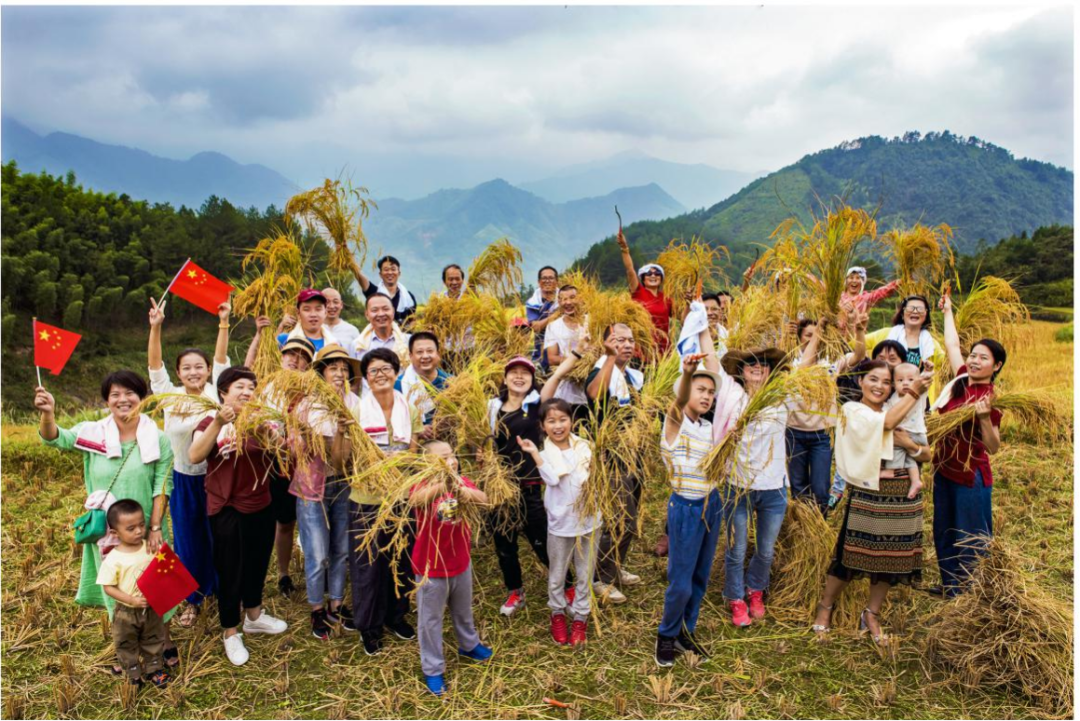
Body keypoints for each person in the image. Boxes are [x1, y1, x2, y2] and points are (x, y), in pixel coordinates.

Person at [36, 371, 176, 670]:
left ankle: (163, 640)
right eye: (115, 394)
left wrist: (154, 528)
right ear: (107, 400)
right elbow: (55, 439)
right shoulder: (92, 432)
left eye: (130, 393)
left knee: (157, 587)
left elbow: (162, 485)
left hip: (147, 527)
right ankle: (127, 648)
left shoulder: (157, 438)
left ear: (142, 397)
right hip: (108, 533)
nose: (123, 399)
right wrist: (48, 414)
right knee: (118, 586)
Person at [812, 360, 932, 644]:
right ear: (861, 383)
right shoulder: (854, 411)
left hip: (902, 489)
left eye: (885, 382)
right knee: (848, 554)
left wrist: (909, 444)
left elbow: (926, 454)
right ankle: (825, 606)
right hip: (870, 490)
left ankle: (871, 614)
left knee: (890, 559)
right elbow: (888, 425)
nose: (879, 386)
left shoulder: (903, 407)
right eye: (873, 380)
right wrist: (913, 392)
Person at [713, 337, 819, 627]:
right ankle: (735, 597)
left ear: (772, 369)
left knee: (766, 549)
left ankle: (755, 590)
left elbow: (805, 367)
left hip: (774, 487)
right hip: (738, 485)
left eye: (764, 362)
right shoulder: (732, 397)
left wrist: (820, 331)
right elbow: (711, 363)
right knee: (736, 548)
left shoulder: (781, 397)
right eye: (750, 362)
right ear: (741, 370)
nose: (757, 366)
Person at [189, 367, 289, 666]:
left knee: (258, 562)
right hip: (226, 508)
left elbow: (284, 455)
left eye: (251, 387)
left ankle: (254, 616)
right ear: (223, 393)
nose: (247, 392)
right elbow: (195, 455)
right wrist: (219, 422)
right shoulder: (211, 420)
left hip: (261, 503)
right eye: (239, 387)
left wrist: (266, 433)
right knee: (230, 569)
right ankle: (230, 631)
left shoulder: (265, 420)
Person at [146, 297, 231, 628]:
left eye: (200, 366)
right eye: (187, 367)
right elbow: (155, 366)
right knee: (186, 540)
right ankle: (191, 600)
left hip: (216, 479)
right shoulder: (170, 397)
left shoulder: (216, 393)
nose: (194, 371)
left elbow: (223, 357)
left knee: (218, 538)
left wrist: (223, 322)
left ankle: (221, 590)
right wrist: (156, 327)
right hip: (182, 479)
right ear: (179, 373)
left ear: (208, 370)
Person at [348, 348, 421, 655]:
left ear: (396, 371)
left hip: (401, 497)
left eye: (386, 369)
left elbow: (415, 451)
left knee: (399, 559)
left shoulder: (409, 407)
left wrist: (402, 463)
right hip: (366, 499)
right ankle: (369, 625)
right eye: (373, 371)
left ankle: (396, 615)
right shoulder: (357, 411)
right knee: (368, 566)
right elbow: (349, 457)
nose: (380, 375)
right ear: (366, 378)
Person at [931, 293, 1005, 597]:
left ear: (996, 365)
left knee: (971, 535)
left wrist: (985, 419)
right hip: (943, 468)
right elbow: (951, 345)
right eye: (973, 354)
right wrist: (948, 311)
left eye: (983, 357)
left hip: (970, 475)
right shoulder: (959, 380)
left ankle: (971, 594)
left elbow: (994, 446)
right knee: (944, 530)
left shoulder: (992, 398)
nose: (974, 360)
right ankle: (952, 588)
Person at [655, 346, 724, 667]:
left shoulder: (709, 428)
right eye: (701, 389)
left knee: (700, 577)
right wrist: (686, 373)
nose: (707, 396)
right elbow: (678, 402)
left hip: (712, 505)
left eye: (711, 392)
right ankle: (666, 635)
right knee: (680, 581)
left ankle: (686, 630)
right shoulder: (675, 423)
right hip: (685, 508)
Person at [487, 355, 568, 616]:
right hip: (499, 486)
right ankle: (515, 591)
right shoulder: (492, 407)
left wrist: (577, 353)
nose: (519, 376)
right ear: (505, 377)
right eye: (514, 372)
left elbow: (556, 377)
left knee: (542, 540)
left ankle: (566, 586)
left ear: (532, 380)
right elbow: (483, 441)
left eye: (525, 372)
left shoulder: (536, 406)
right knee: (504, 543)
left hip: (529, 485)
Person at [411, 440, 493, 696]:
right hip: (431, 569)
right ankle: (433, 668)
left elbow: (485, 500)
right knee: (430, 620)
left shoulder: (461, 482)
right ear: (428, 464)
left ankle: (469, 644)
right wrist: (442, 486)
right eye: (444, 458)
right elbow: (416, 499)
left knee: (463, 609)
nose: (452, 461)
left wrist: (462, 491)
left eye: (453, 456)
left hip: (460, 563)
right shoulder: (422, 486)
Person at [516, 396, 600, 647]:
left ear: (572, 421)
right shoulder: (544, 454)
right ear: (543, 426)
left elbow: (596, 477)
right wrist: (534, 455)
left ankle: (580, 617)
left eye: (563, 419)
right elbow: (552, 479)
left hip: (589, 520)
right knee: (557, 574)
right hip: (561, 523)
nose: (558, 425)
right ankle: (557, 613)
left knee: (586, 573)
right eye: (551, 421)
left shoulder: (585, 446)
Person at [293, 345, 362, 640]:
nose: (339, 373)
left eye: (344, 368)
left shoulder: (355, 403)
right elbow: (293, 446)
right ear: (321, 373)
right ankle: (316, 608)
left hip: (344, 484)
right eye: (333, 367)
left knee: (341, 549)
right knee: (318, 552)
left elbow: (360, 446)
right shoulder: (307, 405)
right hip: (312, 486)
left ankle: (336, 602)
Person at [585, 323, 645, 603]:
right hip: (611, 457)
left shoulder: (634, 377)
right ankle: (600, 578)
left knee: (630, 518)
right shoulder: (601, 370)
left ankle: (615, 567)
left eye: (630, 339)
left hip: (634, 454)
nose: (627, 344)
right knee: (621, 519)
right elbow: (595, 395)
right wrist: (609, 357)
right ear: (606, 343)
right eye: (618, 340)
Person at [785, 311, 867, 513]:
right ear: (799, 338)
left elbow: (858, 356)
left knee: (821, 488)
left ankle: (819, 527)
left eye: (818, 334)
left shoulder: (832, 361)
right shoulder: (791, 363)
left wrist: (859, 331)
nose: (815, 339)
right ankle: (801, 528)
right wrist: (819, 328)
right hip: (794, 432)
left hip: (821, 435)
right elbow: (804, 367)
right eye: (809, 335)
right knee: (798, 487)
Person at [97, 499, 170, 688]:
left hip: (151, 607)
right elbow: (108, 587)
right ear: (115, 533)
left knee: (154, 638)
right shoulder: (113, 558)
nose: (138, 531)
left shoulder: (150, 548)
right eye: (131, 528)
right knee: (125, 641)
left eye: (141, 525)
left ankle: (154, 669)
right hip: (126, 611)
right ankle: (132, 672)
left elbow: (164, 566)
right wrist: (131, 599)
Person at [616, 230, 673, 357]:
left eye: (657, 273)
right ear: (642, 278)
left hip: (663, 350)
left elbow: (683, 317)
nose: (653, 276)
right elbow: (630, 270)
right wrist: (624, 248)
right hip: (641, 349)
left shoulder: (666, 298)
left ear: (661, 278)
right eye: (649, 274)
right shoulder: (638, 292)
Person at [882, 363, 931, 501]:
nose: (905, 383)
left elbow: (925, 380)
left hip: (915, 433)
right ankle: (915, 481)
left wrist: (927, 370)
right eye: (900, 380)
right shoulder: (893, 398)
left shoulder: (919, 394)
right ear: (893, 383)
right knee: (909, 459)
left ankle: (892, 470)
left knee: (896, 446)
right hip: (913, 434)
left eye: (911, 380)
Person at [542, 284, 589, 414]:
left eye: (572, 297)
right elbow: (552, 358)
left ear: (580, 299)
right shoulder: (553, 327)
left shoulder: (592, 322)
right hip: (565, 391)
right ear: (559, 302)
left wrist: (588, 363)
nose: (567, 302)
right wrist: (581, 361)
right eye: (563, 299)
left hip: (591, 388)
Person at [864, 294, 941, 370]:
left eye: (920, 309)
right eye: (910, 308)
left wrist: (947, 311)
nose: (915, 311)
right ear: (902, 314)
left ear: (926, 316)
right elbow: (855, 344)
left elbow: (947, 365)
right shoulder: (884, 334)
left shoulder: (931, 345)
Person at [395, 331, 451, 431]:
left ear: (438, 354)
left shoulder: (452, 382)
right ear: (411, 356)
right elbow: (393, 420)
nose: (425, 356)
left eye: (430, 351)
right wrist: (417, 430)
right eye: (419, 352)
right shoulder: (400, 384)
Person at [356, 255, 418, 326]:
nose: (390, 272)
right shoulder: (375, 293)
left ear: (399, 273)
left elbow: (412, 319)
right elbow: (360, 277)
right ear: (380, 274)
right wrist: (352, 264)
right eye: (386, 270)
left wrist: (405, 333)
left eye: (393, 269)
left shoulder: (408, 296)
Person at [353, 293, 410, 366]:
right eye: (374, 310)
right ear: (367, 314)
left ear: (393, 312)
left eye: (385, 309)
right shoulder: (357, 345)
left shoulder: (407, 341)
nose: (381, 314)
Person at [837, 266, 898, 334]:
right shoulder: (838, 296)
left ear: (863, 281)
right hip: (836, 337)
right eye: (851, 277)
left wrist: (896, 284)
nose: (854, 280)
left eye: (858, 278)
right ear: (846, 280)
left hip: (856, 338)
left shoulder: (866, 298)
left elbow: (882, 291)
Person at [524, 266, 560, 364]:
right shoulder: (533, 303)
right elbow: (536, 327)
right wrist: (556, 315)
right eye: (544, 278)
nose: (547, 281)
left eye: (551, 278)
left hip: (563, 346)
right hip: (541, 348)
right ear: (539, 282)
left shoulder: (565, 299)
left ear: (557, 281)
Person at [322, 287, 361, 352]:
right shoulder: (315, 329)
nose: (332, 306)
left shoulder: (352, 331)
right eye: (327, 302)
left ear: (341, 305)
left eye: (335, 302)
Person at [702, 292, 731, 358]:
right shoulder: (693, 333)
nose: (709, 313)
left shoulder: (725, 333)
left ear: (720, 311)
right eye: (705, 309)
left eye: (714, 309)